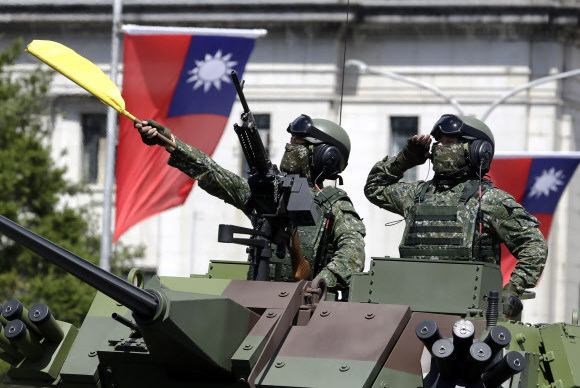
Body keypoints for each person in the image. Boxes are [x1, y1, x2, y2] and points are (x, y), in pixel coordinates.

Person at [134, 114, 366, 294]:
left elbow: (352, 253)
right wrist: (171, 143)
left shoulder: (334, 204)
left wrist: (319, 284)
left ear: (325, 155)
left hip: (305, 307)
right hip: (255, 296)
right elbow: (214, 174)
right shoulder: (271, 191)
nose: (289, 146)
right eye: (290, 139)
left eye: (298, 142)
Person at [364, 114, 548, 318]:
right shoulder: (415, 195)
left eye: (449, 142)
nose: (440, 147)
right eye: (438, 141)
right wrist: (405, 159)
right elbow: (374, 187)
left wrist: (513, 288)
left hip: (468, 317)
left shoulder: (490, 200)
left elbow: (534, 245)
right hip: (408, 309)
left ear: (478, 151)